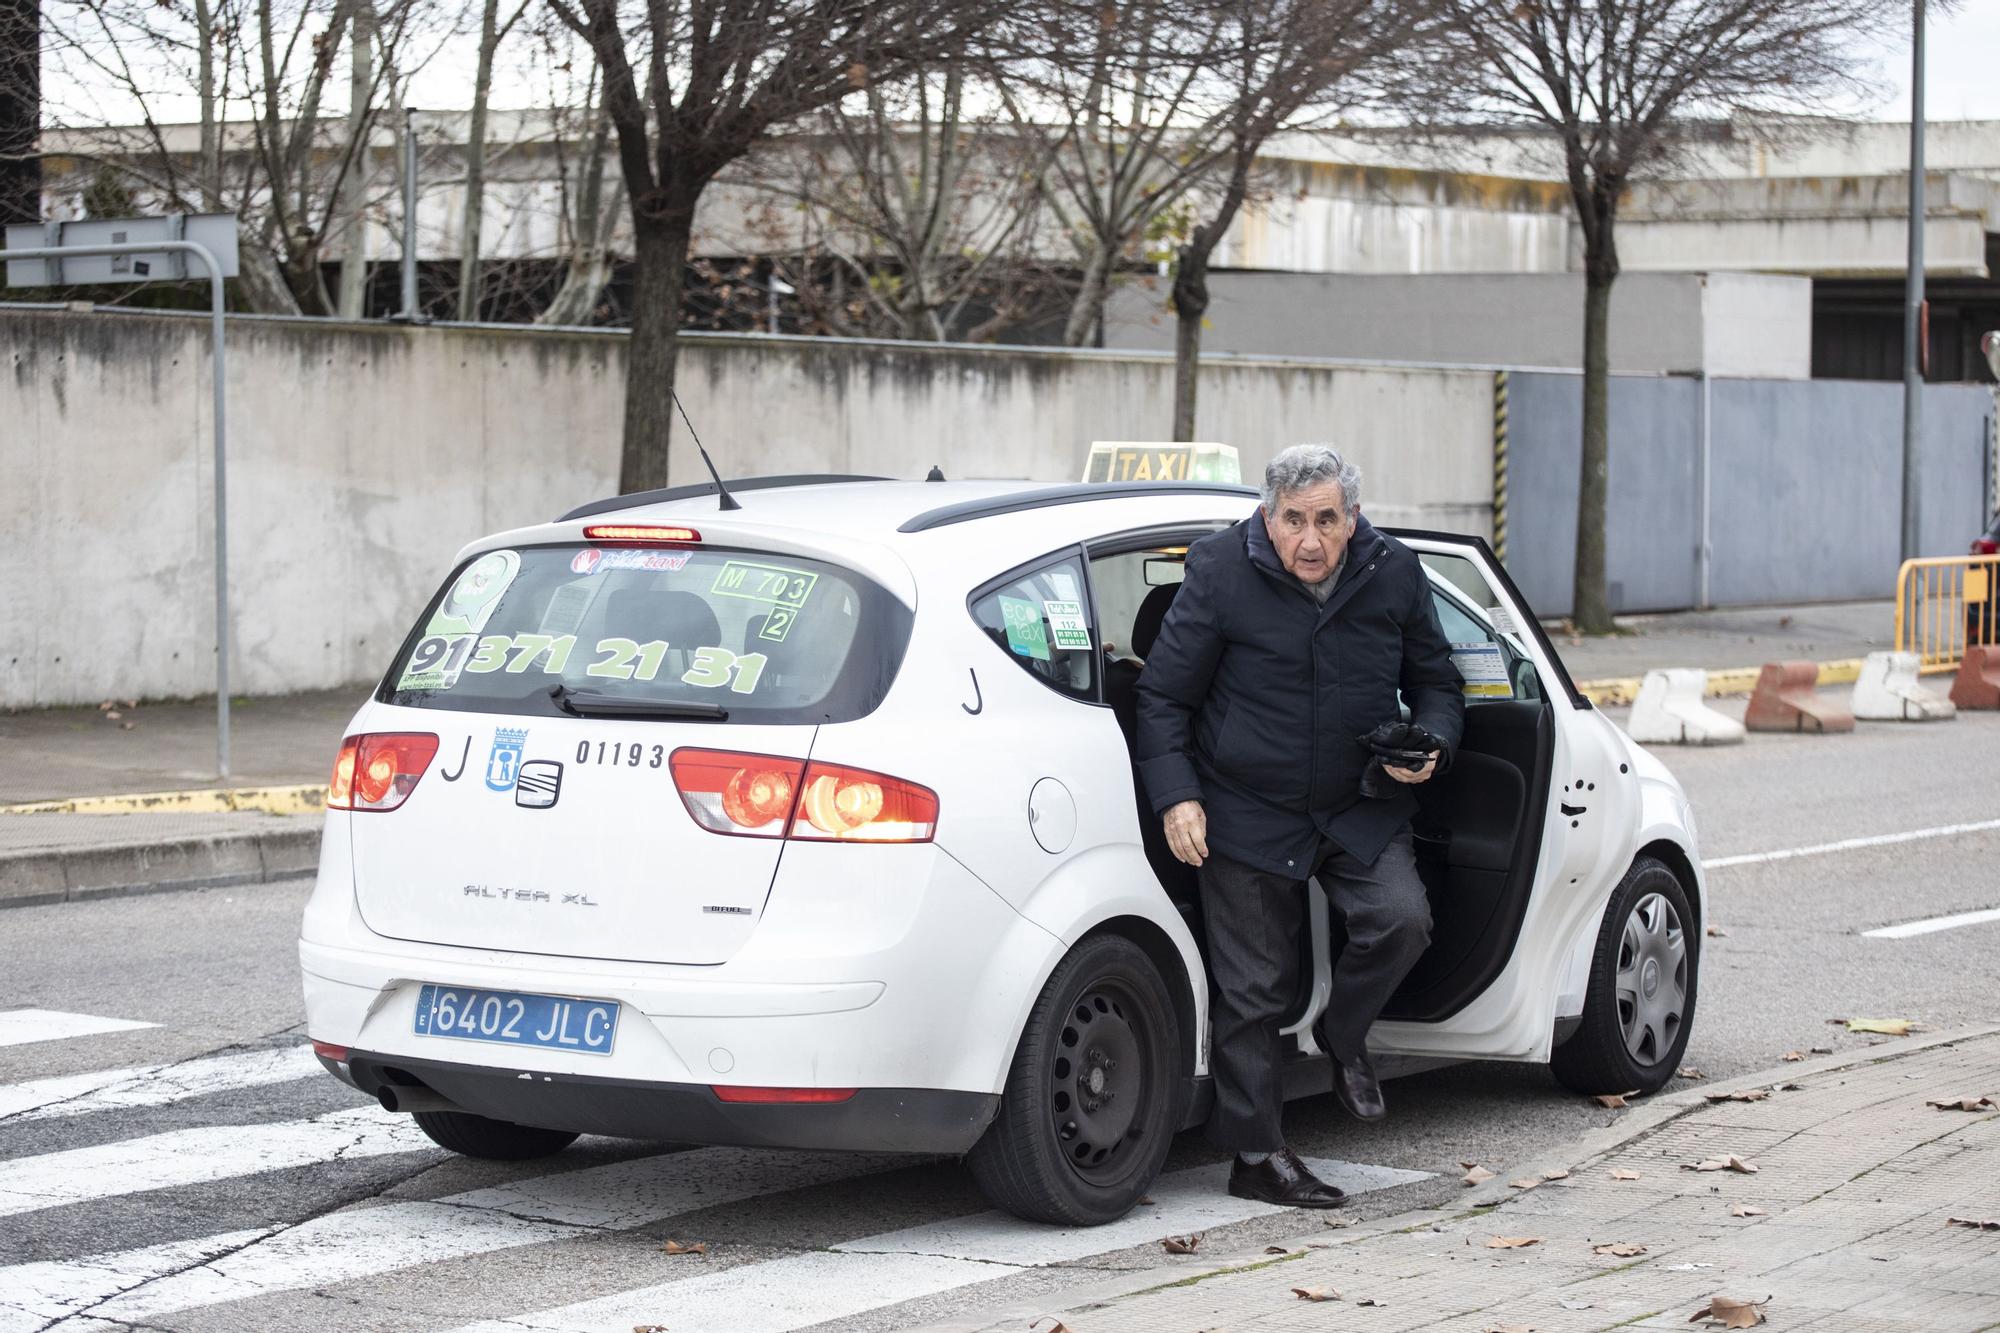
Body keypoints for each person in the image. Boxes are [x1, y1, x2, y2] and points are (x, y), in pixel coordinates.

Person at [1136, 444, 1465, 1208]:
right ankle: (1257, 1155)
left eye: (1326, 519)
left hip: (1358, 797)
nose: (1309, 540)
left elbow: (1438, 682)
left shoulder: (1393, 571)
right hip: (1246, 806)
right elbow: (1162, 697)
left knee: (1402, 919)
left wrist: (1435, 745)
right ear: (1267, 516)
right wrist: (1177, 796)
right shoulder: (1220, 571)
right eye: (1293, 521)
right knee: (1253, 992)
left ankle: (1344, 1036)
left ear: (1353, 518)